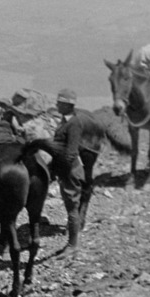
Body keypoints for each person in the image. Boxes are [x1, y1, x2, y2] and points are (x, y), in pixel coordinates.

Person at [52, 88, 101, 248]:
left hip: (86, 150)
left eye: (59, 103)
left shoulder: (74, 122)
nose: (56, 104)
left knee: (84, 182)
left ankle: (78, 223)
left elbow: (71, 150)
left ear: (67, 105)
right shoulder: (65, 119)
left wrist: (62, 168)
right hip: (73, 157)